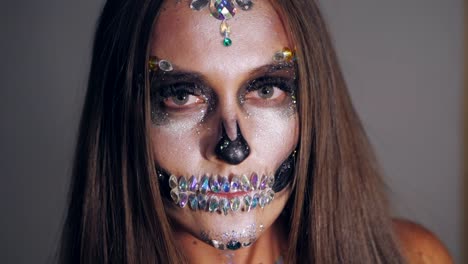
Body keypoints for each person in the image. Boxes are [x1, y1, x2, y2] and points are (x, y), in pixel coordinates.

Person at [59, 0, 453, 263]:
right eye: (181, 95)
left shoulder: (411, 256)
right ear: (123, 116)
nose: (233, 147)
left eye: (266, 89)